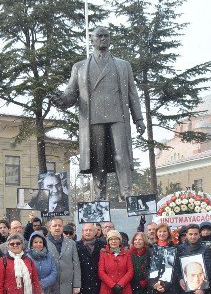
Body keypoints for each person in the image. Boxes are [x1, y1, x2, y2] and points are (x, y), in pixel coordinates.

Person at [52, 26, 145, 199]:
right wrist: (61, 100)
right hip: (93, 118)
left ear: (110, 39)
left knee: (122, 157)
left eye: (106, 36)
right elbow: (71, 92)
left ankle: (127, 193)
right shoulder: (79, 67)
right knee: (98, 159)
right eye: (99, 36)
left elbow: (133, 93)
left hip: (118, 116)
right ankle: (100, 195)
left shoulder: (123, 66)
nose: (103, 38)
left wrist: (138, 118)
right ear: (92, 40)